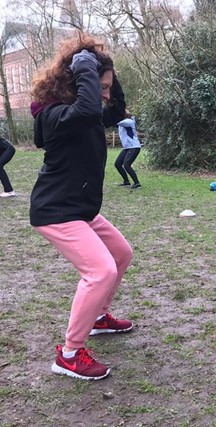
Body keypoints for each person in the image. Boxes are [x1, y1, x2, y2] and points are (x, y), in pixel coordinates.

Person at [30, 34, 133, 380]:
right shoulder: (55, 116)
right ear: (78, 83)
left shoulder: (84, 115)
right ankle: (70, 354)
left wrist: (110, 76)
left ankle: (99, 318)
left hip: (81, 210)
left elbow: (116, 110)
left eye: (106, 87)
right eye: (99, 87)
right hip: (56, 211)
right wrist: (87, 63)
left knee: (121, 254)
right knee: (100, 270)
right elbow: (90, 107)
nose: (105, 95)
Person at [115, 110, 142, 189]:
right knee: (118, 164)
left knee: (127, 164)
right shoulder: (123, 123)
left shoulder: (129, 121)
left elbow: (118, 122)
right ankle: (126, 182)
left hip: (134, 146)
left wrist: (112, 117)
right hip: (127, 147)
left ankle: (137, 183)